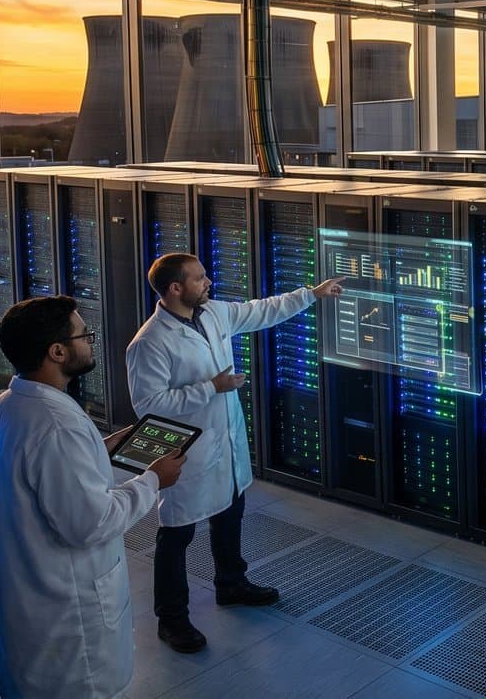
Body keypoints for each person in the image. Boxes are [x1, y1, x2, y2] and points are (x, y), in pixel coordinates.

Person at [125, 253, 344, 654]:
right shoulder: (149, 342)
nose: (208, 282)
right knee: (176, 536)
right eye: (199, 278)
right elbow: (148, 406)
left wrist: (311, 295)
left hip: (225, 442)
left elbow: (260, 311)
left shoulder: (213, 313)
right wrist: (212, 388)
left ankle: (231, 583)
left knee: (230, 512)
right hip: (186, 453)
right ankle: (171, 619)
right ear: (176, 289)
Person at [0, 296, 186, 699]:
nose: (90, 341)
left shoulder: (2, 410)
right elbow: (91, 523)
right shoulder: (58, 427)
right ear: (57, 352)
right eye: (83, 334)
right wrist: (153, 480)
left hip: (24, 599)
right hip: (67, 620)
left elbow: (34, 481)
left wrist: (98, 448)